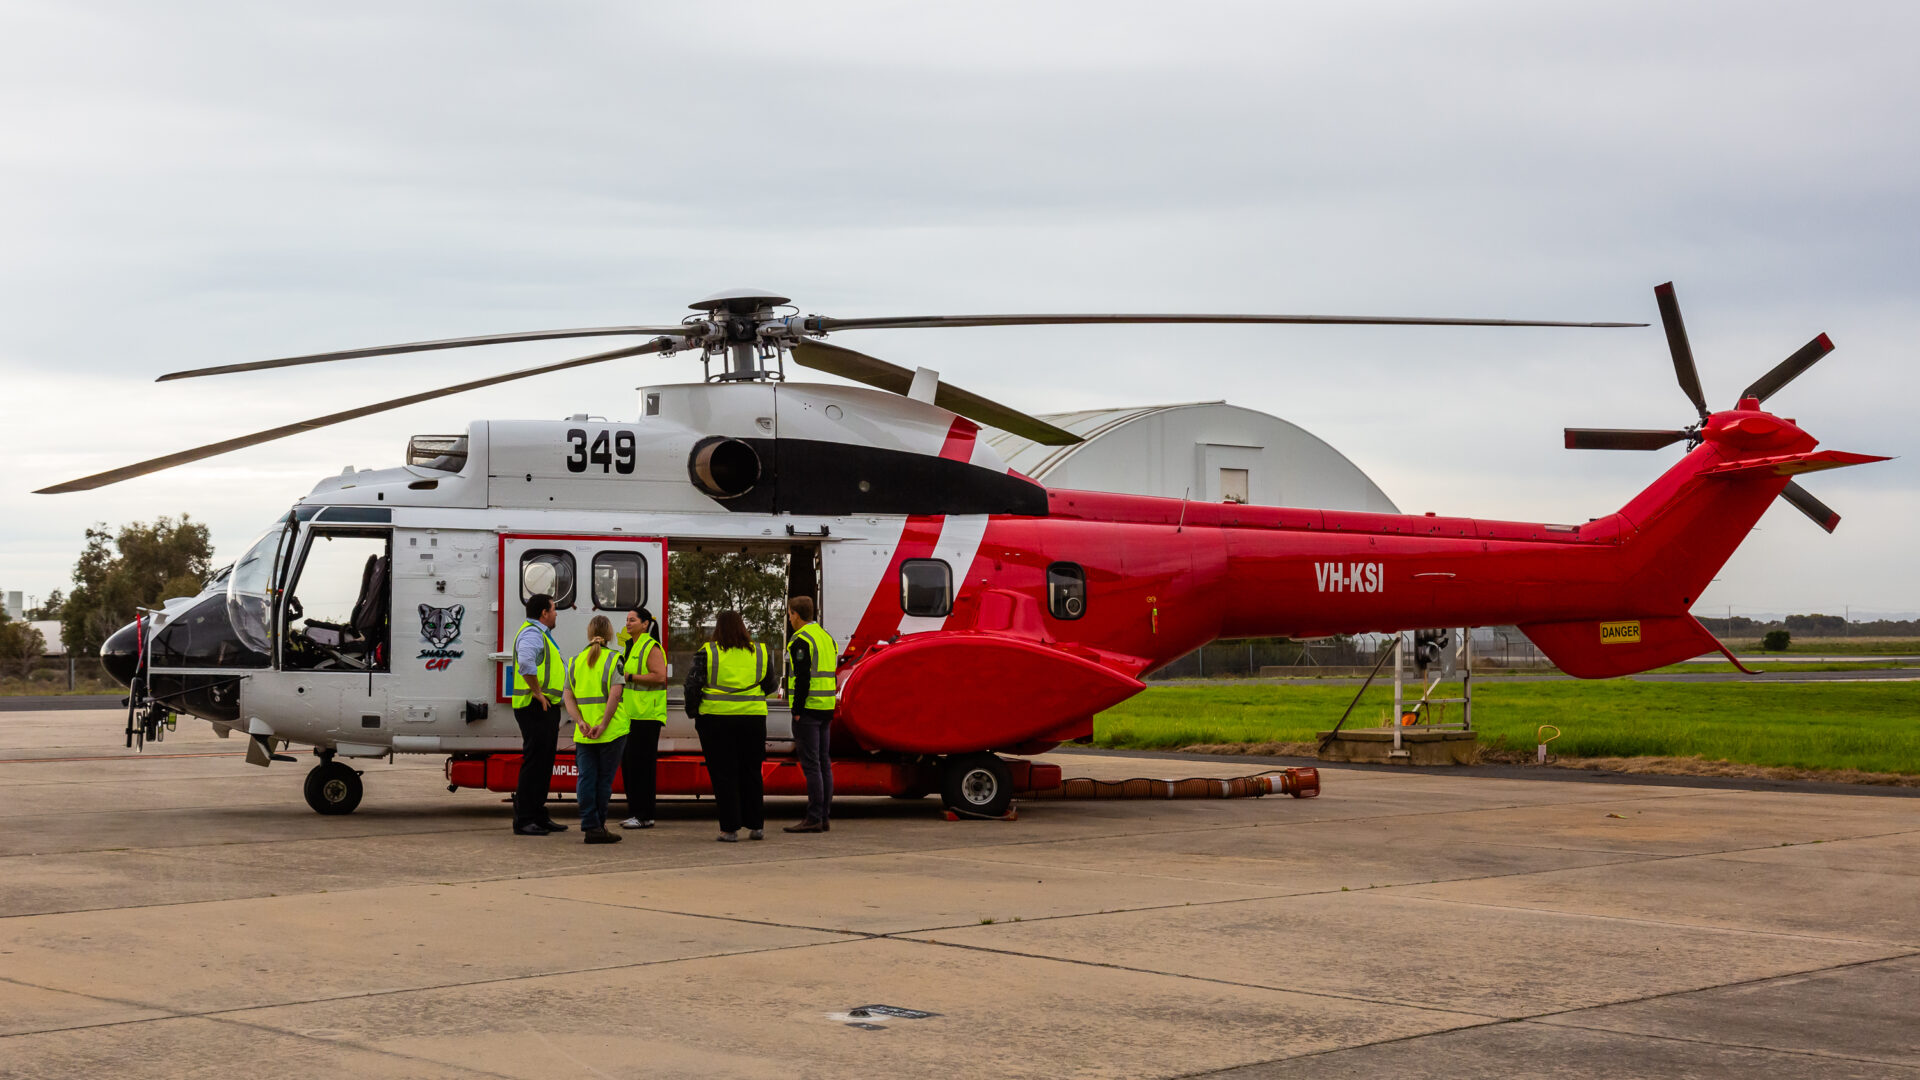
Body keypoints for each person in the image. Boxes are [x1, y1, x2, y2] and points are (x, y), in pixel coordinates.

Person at [684, 610, 776, 842]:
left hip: (715, 720)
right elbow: (770, 685)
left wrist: (693, 712)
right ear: (743, 627)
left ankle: (730, 829)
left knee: (724, 774)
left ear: (717, 628)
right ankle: (756, 826)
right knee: (752, 771)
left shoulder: (708, 652)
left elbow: (692, 685)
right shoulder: (761, 652)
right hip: (753, 718)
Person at [509, 593, 569, 835]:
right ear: (544, 612)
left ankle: (537, 814)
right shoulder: (533, 634)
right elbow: (525, 663)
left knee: (544, 764)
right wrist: (537, 692)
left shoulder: (541, 634)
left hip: (544, 708)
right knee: (535, 763)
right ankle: (524, 819)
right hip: (535, 707)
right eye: (554, 609)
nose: (556, 613)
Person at [563, 614, 627, 844]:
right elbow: (616, 694)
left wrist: (580, 722)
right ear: (610, 634)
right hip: (611, 732)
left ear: (589, 634)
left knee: (586, 778)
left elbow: (568, 698)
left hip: (584, 733)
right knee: (603, 781)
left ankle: (590, 825)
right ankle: (598, 827)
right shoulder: (614, 659)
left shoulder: (575, 661)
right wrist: (604, 724)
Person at [781, 596, 837, 833]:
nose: (790, 619)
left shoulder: (801, 640)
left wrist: (796, 711)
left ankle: (813, 817)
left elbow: (802, 678)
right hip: (826, 707)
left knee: (812, 765)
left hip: (808, 710)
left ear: (796, 614)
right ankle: (823, 816)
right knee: (824, 764)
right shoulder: (826, 638)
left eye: (790, 614)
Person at [616, 605, 669, 830]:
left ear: (645, 624)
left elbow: (659, 677)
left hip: (647, 716)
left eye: (633, 620)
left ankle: (644, 814)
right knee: (630, 766)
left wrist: (629, 676)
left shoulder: (651, 646)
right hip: (632, 715)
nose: (628, 623)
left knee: (642, 767)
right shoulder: (633, 646)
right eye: (627, 620)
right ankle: (636, 813)